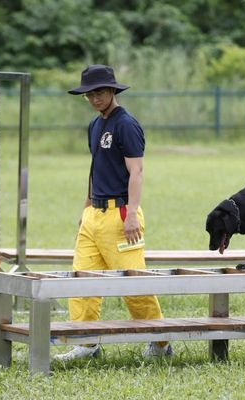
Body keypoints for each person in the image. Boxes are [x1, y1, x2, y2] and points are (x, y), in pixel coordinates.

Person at [54, 65, 172, 362]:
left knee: (134, 283)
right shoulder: (95, 126)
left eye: (100, 92)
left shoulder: (126, 124)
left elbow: (137, 171)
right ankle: (87, 343)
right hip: (94, 215)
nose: (95, 98)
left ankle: (160, 343)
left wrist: (132, 214)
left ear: (112, 91)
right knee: (81, 280)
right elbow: (96, 169)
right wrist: (86, 206)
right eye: (89, 93)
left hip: (121, 214)